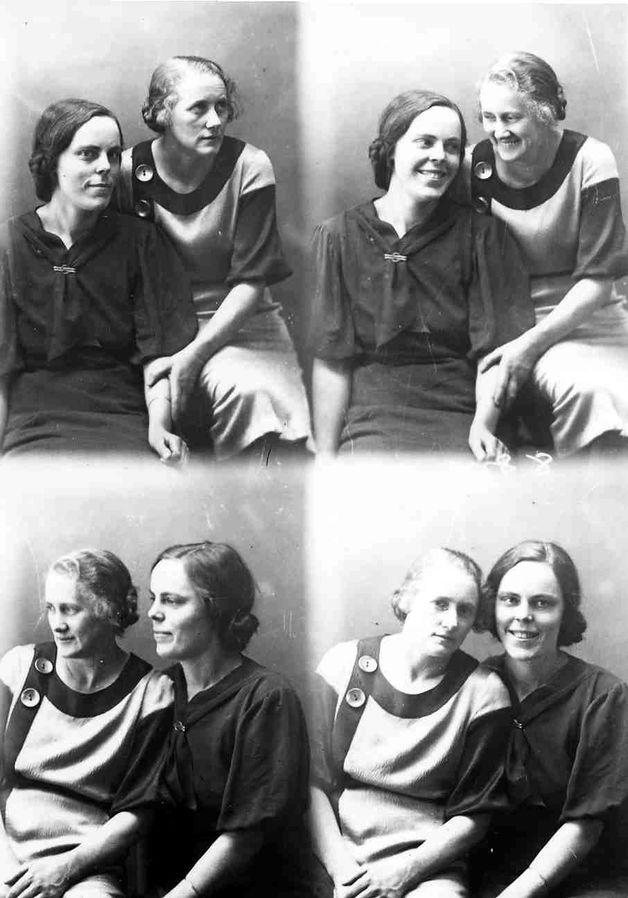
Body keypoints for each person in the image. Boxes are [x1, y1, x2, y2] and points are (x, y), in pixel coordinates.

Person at [310, 89, 534, 459]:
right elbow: (332, 360)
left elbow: (495, 355)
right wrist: (325, 458)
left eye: (451, 147)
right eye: (425, 142)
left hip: (463, 415)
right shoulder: (338, 236)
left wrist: (483, 425)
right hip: (372, 419)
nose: (440, 157)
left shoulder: (484, 237)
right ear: (391, 150)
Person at [118, 56, 312, 461]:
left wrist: (194, 356)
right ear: (163, 113)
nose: (215, 121)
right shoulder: (127, 172)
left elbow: (252, 281)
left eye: (221, 107)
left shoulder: (249, 166)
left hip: (244, 324)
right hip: (160, 325)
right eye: (199, 108)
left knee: (256, 400)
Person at [0, 98, 198, 460]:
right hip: (33, 421)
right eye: (88, 154)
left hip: (123, 416)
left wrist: (159, 427)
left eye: (114, 154)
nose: (106, 167)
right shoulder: (8, 245)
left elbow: (159, 354)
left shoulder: (141, 241)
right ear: (52, 161)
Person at [308, 548, 512, 898]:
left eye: (465, 610)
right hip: (332, 854)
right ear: (406, 600)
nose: (452, 621)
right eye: (440, 604)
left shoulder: (485, 693)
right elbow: (310, 784)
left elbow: (475, 815)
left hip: (426, 866)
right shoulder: (341, 665)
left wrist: (406, 872)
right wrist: (344, 874)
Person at [472, 52, 628, 456]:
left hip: (596, 320)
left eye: (511, 118)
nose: (498, 131)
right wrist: (521, 346)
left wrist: (527, 349)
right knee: (591, 392)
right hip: (516, 323)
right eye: (489, 118)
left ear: (544, 114)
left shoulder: (590, 159)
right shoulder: (474, 166)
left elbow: (599, 282)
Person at [0, 549, 174, 898]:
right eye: (51, 608)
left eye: (70, 609)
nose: (57, 623)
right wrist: (8, 876)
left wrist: (66, 869)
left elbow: (138, 812)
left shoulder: (152, 693)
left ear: (109, 613)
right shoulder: (19, 668)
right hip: (6, 852)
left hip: (87, 866)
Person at [146, 541, 311, 897]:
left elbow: (247, 836)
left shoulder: (266, 697)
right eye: (153, 599)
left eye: (172, 601)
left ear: (217, 611)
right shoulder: (158, 690)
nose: (153, 613)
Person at [476, 540, 628, 897]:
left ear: (565, 612)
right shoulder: (474, 685)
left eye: (542, 603)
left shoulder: (604, 695)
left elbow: (587, 823)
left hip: (585, 877)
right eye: (509, 600)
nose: (523, 615)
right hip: (491, 874)